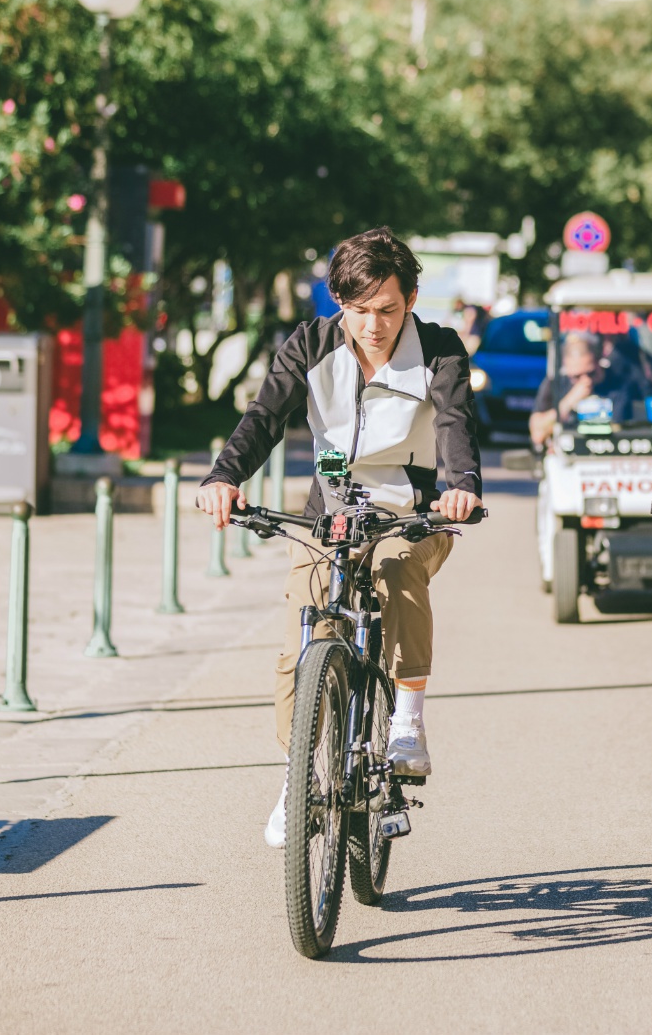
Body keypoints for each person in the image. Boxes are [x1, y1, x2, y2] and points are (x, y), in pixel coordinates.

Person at [198, 227, 483, 848]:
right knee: (301, 641)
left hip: (411, 516)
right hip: (329, 518)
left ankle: (407, 720)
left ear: (411, 300)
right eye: (359, 310)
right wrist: (224, 477)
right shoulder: (310, 344)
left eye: (387, 310)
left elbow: (455, 423)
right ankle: (296, 776)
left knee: (395, 568)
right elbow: (264, 417)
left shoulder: (438, 350)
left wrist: (461, 485)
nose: (374, 326)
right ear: (338, 302)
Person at [527, 331, 647, 447]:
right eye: (577, 376)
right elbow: (537, 434)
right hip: (567, 454)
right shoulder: (556, 384)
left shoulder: (618, 385)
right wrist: (569, 401)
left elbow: (625, 431)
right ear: (567, 369)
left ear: (599, 362)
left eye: (591, 373)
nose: (586, 381)